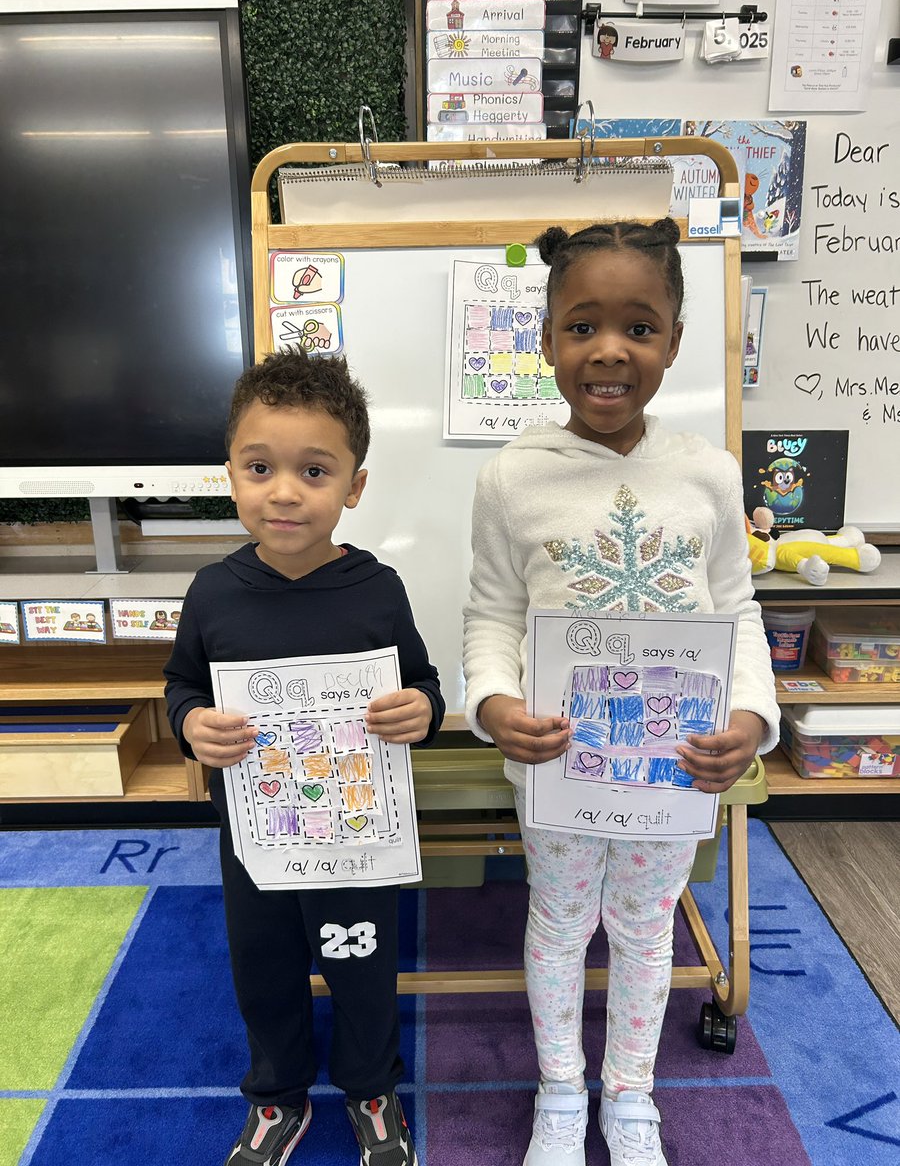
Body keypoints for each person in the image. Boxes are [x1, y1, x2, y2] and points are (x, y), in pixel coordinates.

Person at [463, 219, 779, 1166]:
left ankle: (628, 1094)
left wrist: (753, 721)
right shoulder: (515, 477)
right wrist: (493, 707)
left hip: (670, 770)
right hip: (560, 769)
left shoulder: (708, 476)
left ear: (674, 342)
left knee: (645, 929)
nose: (609, 350)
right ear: (549, 339)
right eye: (582, 326)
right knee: (559, 920)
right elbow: (489, 616)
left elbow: (739, 611)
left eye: (639, 328)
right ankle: (562, 1089)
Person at [165, 346, 444, 1166]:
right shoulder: (213, 592)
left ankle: (370, 1088)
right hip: (256, 843)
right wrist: (190, 726)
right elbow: (181, 684)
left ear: (353, 487)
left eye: (314, 472)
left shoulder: (376, 589)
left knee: (363, 971)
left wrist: (419, 708)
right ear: (231, 474)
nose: (284, 491)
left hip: (357, 842)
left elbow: (421, 682)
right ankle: (277, 1097)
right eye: (260, 467)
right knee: (265, 971)